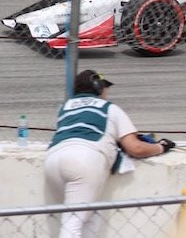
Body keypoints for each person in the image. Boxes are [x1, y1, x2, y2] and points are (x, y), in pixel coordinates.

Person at [44, 69, 175, 238]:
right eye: (105, 87)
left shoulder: (64, 108)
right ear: (97, 87)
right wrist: (161, 147)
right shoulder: (110, 108)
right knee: (73, 223)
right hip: (84, 160)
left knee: (90, 216)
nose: (107, 91)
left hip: (53, 160)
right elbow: (135, 148)